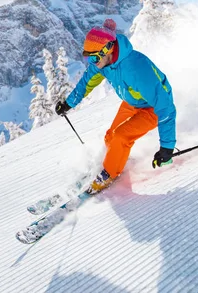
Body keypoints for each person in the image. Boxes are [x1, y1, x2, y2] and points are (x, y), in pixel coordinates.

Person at [55, 18, 176, 194]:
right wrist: (68, 103)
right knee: (110, 136)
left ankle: (109, 173)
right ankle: (112, 160)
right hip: (133, 102)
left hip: (153, 106)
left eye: (95, 57)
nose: (92, 62)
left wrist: (167, 147)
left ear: (108, 49)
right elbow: (86, 83)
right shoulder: (103, 63)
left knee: (121, 136)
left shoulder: (136, 68)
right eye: (89, 58)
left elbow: (165, 107)